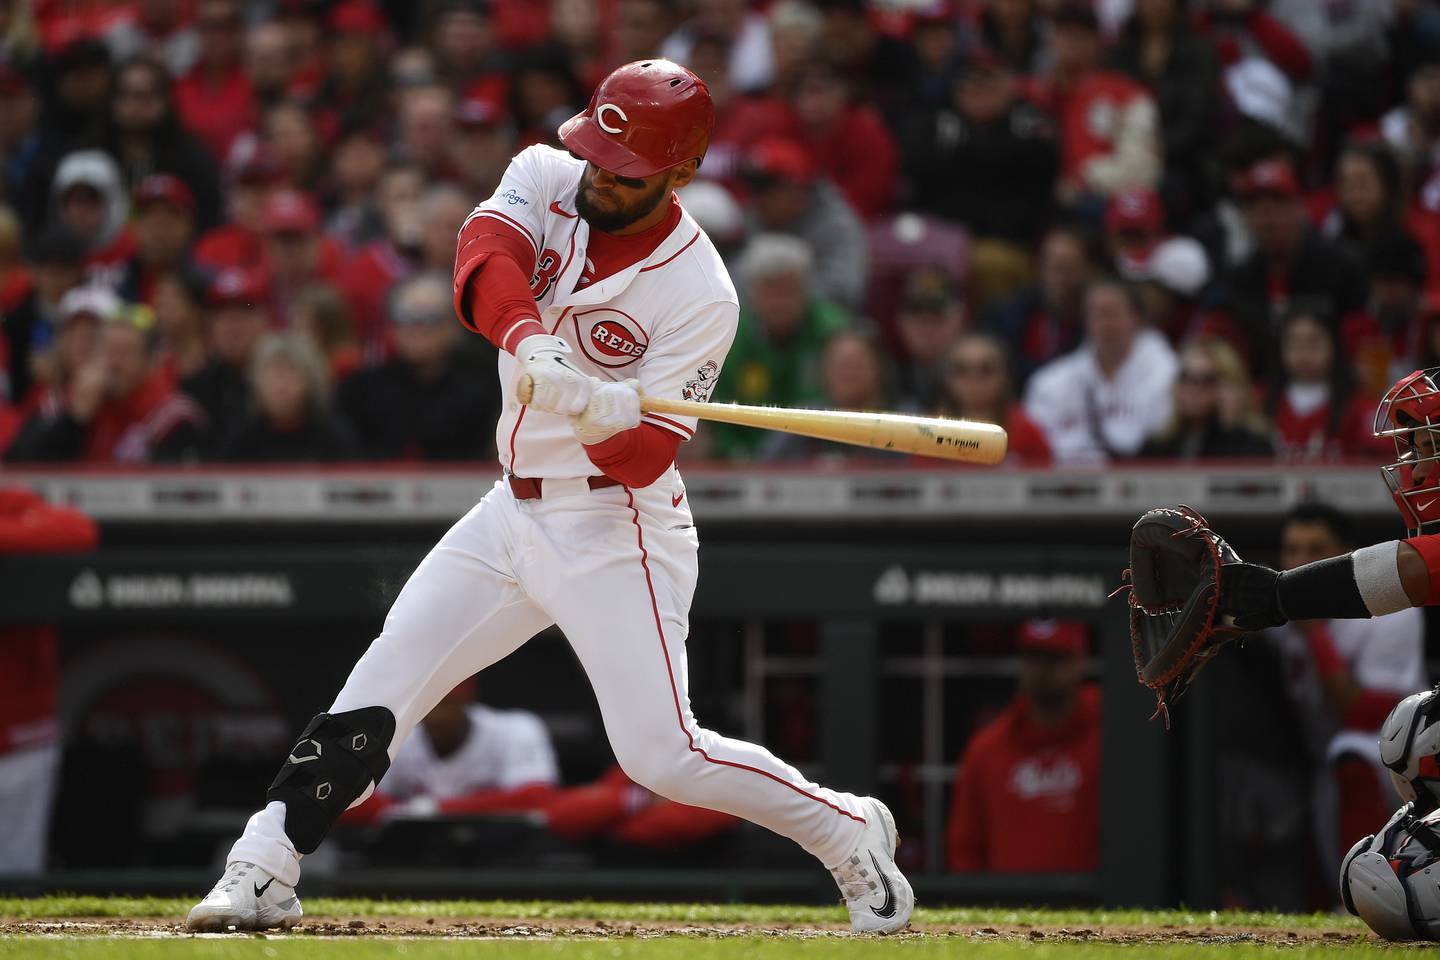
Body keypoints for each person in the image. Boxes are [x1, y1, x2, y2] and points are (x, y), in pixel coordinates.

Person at [186, 60, 913, 937]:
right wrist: (535, 346)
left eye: (625, 169)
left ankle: (846, 830)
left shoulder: (702, 293)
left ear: (679, 175)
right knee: (382, 684)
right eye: (597, 152)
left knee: (662, 755)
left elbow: (645, 459)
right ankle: (264, 865)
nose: (599, 175)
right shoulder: (545, 175)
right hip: (510, 509)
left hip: (617, 524)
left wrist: (604, 413)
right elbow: (481, 257)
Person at [1261, 503, 1425, 880]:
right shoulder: (1282, 612)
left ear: (1345, 557)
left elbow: (1366, 714)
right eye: (1293, 550)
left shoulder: (1391, 610)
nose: (1300, 563)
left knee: (1349, 753)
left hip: (1397, 768)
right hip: (1323, 765)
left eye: (1316, 550)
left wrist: (1315, 634)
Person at [947, 620, 1101, 874]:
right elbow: (965, 847)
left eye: (1054, 658)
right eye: (1033, 658)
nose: (1042, 670)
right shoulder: (986, 749)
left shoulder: (1110, 739)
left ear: (1079, 661)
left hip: (1097, 908)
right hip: (1009, 908)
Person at [5, 295, 204, 463]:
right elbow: (19, 462)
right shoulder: (61, 404)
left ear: (151, 362)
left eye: (125, 353)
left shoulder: (171, 417)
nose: (113, 363)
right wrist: (75, 418)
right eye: (107, 351)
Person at [707, 234, 851, 461]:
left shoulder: (833, 333)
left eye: (788, 291)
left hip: (823, 457)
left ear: (805, 290)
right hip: (747, 464)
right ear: (753, 293)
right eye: (771, 292)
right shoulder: (730, 339)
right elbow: (717, 412)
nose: (780, 302)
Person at [340, 677, 559, 825]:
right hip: (416, 849)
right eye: (431, 705)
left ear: (467, 699)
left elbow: (536, 797)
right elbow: (354, 802)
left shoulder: (515, 729)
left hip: (499, 845)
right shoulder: (397, 737)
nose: (438, 715)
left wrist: (434, 809)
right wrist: (405, 812)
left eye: (448, 703)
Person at [337, 272, 499, 461]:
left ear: (454, 327)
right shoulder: (361, 390)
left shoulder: (485, 387)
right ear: (392, 327)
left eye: (430, 319)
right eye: (407, 318)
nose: (418, 330)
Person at [1023, 277, 1178, 465]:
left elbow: (1165, 439)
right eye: (1095, 314)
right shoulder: (1050, 382)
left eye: (1111, 313)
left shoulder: (1168, 372)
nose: (1104, 322)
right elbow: (1033, 451)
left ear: (1136, 317)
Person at [1265, 305, 1384, 462]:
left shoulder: (1359, 406)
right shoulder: (1259, 401)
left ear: (1334, 345)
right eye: (1294, 343)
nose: (1304, 353)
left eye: (1314, 342)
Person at [213, 333, 357, 463]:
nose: (280, 385)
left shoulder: (332, 438)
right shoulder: (241, 438)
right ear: (255, 381)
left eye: (290, 373)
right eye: (273, 374)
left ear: (311, 382)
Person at [1141, 337, 1272, 460]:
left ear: (1229, 387)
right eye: (1186, 377)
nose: (1193, 388)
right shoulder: (1158, 446)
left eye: (1206, 380)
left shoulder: (1253, 445)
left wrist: (1230, 426)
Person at [937, 332, 1052, 468]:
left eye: (986, 369)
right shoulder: (931, 433)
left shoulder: (1026, 431)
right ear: (947, 378)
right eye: (962, 370)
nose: (974, 380)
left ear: (1005, 376)